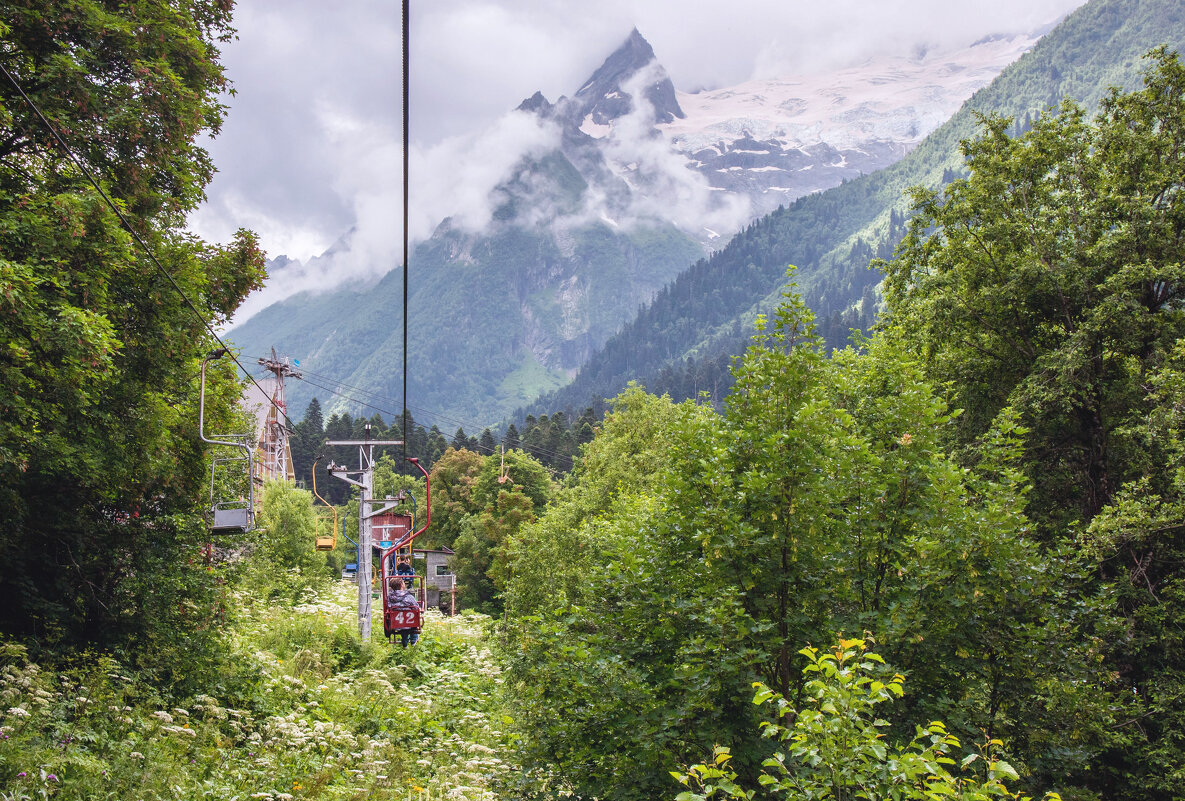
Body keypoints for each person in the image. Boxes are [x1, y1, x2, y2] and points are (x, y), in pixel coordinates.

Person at [387, 578, 420, 647]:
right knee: (414, 616)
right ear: (402, 585)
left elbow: (388, 607)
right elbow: (416, 607)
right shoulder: (408, 596)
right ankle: (413, 640)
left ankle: (405, 643)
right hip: (410, 622)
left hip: (397, 623)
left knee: (403, 627)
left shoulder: (389, 597)